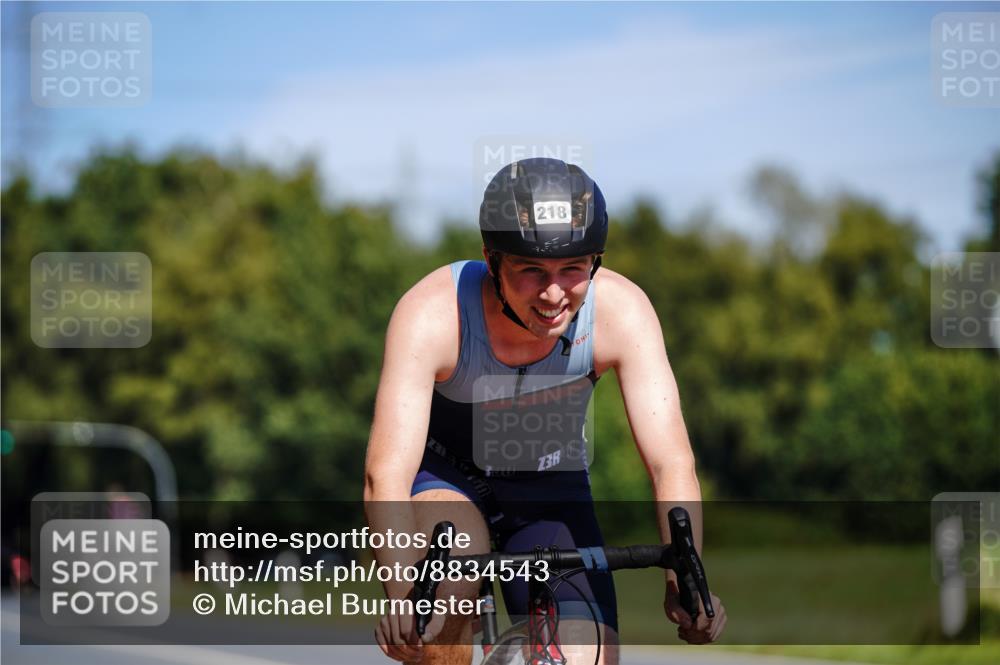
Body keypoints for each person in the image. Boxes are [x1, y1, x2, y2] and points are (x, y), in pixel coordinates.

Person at [364, 158, 726, 664]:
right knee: (442, 613)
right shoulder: (432, 314)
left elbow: (672, 463)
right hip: (447, 480)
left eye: (573, 269)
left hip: (549, 491)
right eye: (531, 270)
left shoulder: (622, 312)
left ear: (595, 262)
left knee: (586, 655)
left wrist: (685, 579)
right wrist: (406, 598)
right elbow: (386, 475)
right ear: (492, 261)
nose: (554, 293)